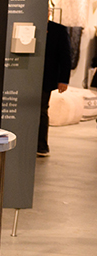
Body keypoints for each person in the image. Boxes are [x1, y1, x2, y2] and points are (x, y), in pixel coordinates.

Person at [40, 19, 71, 156]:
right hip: (26, 77)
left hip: (46, 77)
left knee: (41, 110)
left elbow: (65, 56)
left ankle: (41, 146)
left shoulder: (58, 30)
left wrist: (63, 80)